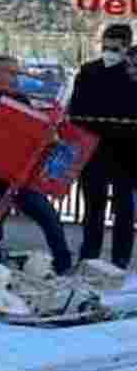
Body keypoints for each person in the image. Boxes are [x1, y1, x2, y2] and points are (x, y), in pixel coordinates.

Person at [0, 55, 75, 274]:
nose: (17, 78)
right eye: (13, 73)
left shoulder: (20, 99)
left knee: (48, 216)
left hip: (19, 173)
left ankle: (63, 262)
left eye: (18, 73)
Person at [68, 23, 136, 271]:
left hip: (127, 153)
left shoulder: (134, 74)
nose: (108, 52)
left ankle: (120, 260)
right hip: (93, 150)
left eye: (115, 48)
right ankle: (89, 256)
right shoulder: (88, 71)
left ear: (127, 47)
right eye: (105, 46)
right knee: (93, 208)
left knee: (124, 211)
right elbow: (74, 110)